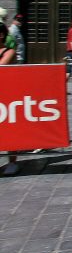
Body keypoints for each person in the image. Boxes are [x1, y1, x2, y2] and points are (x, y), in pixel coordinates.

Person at [0, 23, 19, 175]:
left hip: (6, 95)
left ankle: (12, 161)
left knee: (9, 127)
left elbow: (2, 66)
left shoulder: (9, 51)